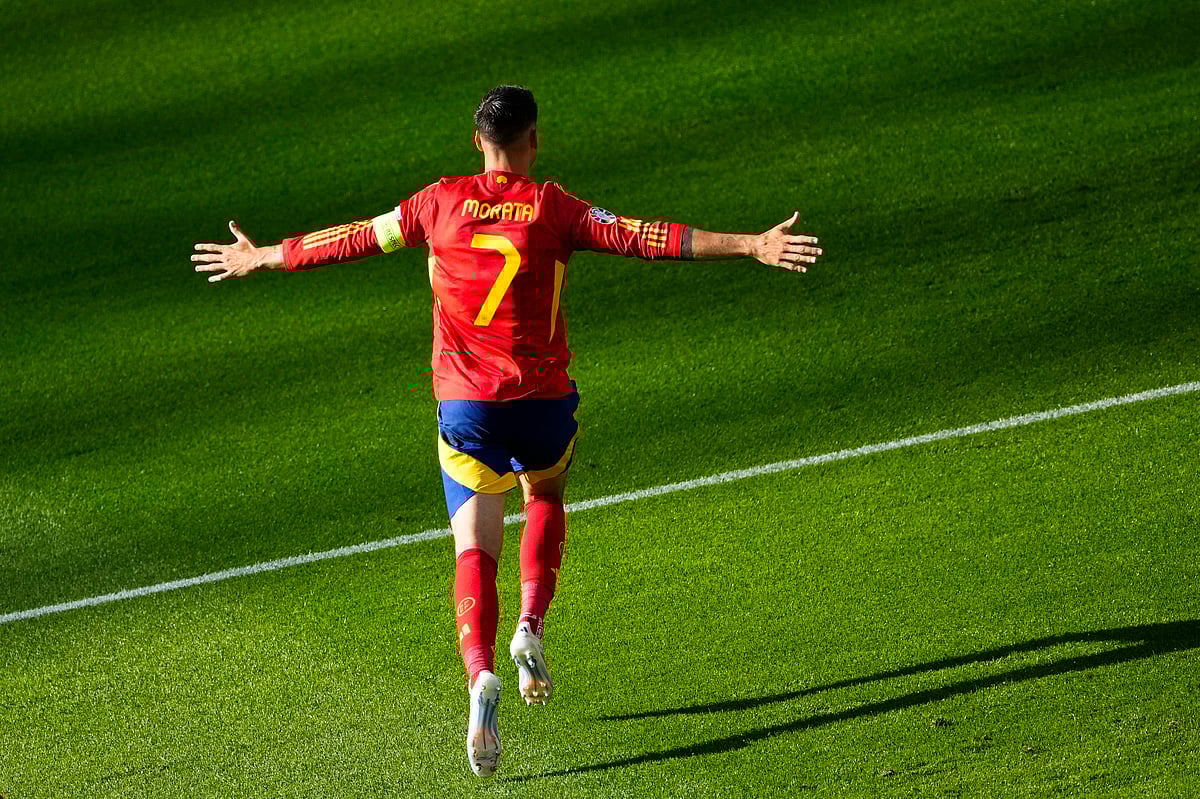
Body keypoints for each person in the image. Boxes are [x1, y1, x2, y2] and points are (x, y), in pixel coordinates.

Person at [192, 85, 822, 778]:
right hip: (543, 401)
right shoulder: (553, 208)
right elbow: (648, 237)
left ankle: (479, 676)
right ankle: (531, 624)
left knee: (475, 543)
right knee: (545, 494)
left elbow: (352, 239)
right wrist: (751, 244)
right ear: (535, 140)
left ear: (476, 141)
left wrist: (264, 256)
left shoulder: (437, 204)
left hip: (467, 408)